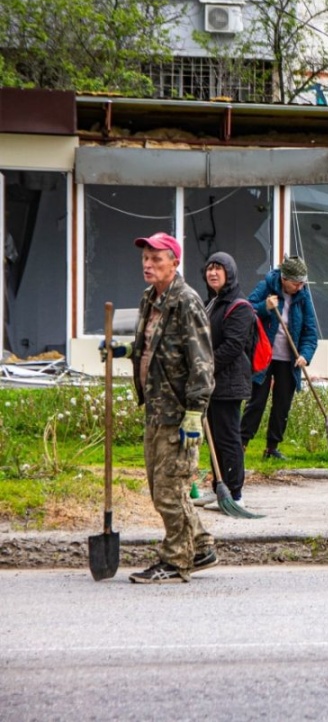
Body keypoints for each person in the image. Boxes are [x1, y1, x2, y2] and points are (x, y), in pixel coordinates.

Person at [100, 232, 217, 583]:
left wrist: (195, 411)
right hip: (156, 407)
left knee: (169, 490)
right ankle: (199, 545)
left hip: (179, 413)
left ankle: (175, 560)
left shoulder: (186, 301)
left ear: (175, 262)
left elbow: (202, 360)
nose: (148, 265)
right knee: (160, 486)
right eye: (145, 259)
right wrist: (125, 351)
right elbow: (152, 347)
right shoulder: (150, 299)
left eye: (156, 259)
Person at [240, 256, 318, 460]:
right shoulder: (266, 286)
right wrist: (265, 307)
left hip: (288, 359)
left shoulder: (303, 296)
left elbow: (310, 332)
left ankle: (272, 448)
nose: (300, 287)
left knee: (282, 403)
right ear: (284, 278)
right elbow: (245, 310)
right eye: (296, 283)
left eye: (303, 283)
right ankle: (241, 444)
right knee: (257, 401)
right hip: (264, 356)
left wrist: (305, 355)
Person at [203, 252, 256, 504]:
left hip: (229, 383)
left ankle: (235, 494)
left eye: (218, 269)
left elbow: (233, 346)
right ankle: (219, 489)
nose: (212, 273)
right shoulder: (212, 302)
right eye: (209, 268)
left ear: (230, 273)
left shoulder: (240, 306)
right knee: (213, 436)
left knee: (228, 438)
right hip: (212, 382)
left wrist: (204, 367)